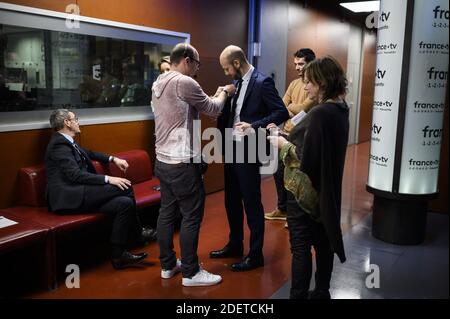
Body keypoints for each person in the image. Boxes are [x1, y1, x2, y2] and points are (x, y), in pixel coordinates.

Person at [152, 43, 236, 287]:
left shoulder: (159, 81)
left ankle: (168, 265)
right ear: (187, 60)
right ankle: (190, 273)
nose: (197, 69)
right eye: (197, 64)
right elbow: (213, 109)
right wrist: (225, 92)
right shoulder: (184, 82)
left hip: (163, 161)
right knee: (191, 216)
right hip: (182, 164)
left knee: (166, 213)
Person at [268, 56, 349, 299]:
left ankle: (298, 295)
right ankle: (322, 290)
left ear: (322, 83)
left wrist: (282, 143)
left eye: (309, 82)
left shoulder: (321, 113)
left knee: (301, 248)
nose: (305, 87)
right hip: (326, 192)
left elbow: (305, 160)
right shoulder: (339, 109)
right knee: (323, 245)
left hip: (304, 195)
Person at [45, 109, 156, 270]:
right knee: (125, 186)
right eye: (75, 119)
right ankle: (138, 232)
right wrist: (108, 178)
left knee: (124, 203)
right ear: (67, 123)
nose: (77, 121)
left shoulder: (67, 141)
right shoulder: (58, 145)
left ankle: (119, 256)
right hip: (69, 197)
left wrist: (113, 159)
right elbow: (75, 175)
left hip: (80, 192)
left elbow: (89, 153)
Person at [210, 45, 289, 271]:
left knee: (251, 202)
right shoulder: (235, 85)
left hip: (249, 149)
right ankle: (235, 245)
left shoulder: (263, 82)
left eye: (226, 68)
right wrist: (222, 98)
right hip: (230, 148)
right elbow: (231, 115)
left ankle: (255, 256)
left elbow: (281, 112)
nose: (226, 73)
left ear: (237, 63)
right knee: (231, 201)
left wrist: (253, 126)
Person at [265, 49, 317, 225]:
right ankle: (283, 209)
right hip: (285, 134)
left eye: (301, 64)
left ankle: (295, 214)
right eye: (295, 64)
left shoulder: (315, 85)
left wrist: (291, 107)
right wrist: (292, 107)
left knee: (296, 176)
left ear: (311, 63)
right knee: (278, 172)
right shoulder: (295, 83)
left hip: (302, 137)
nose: (297, 67)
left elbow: (304, 108)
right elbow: (281, 105)